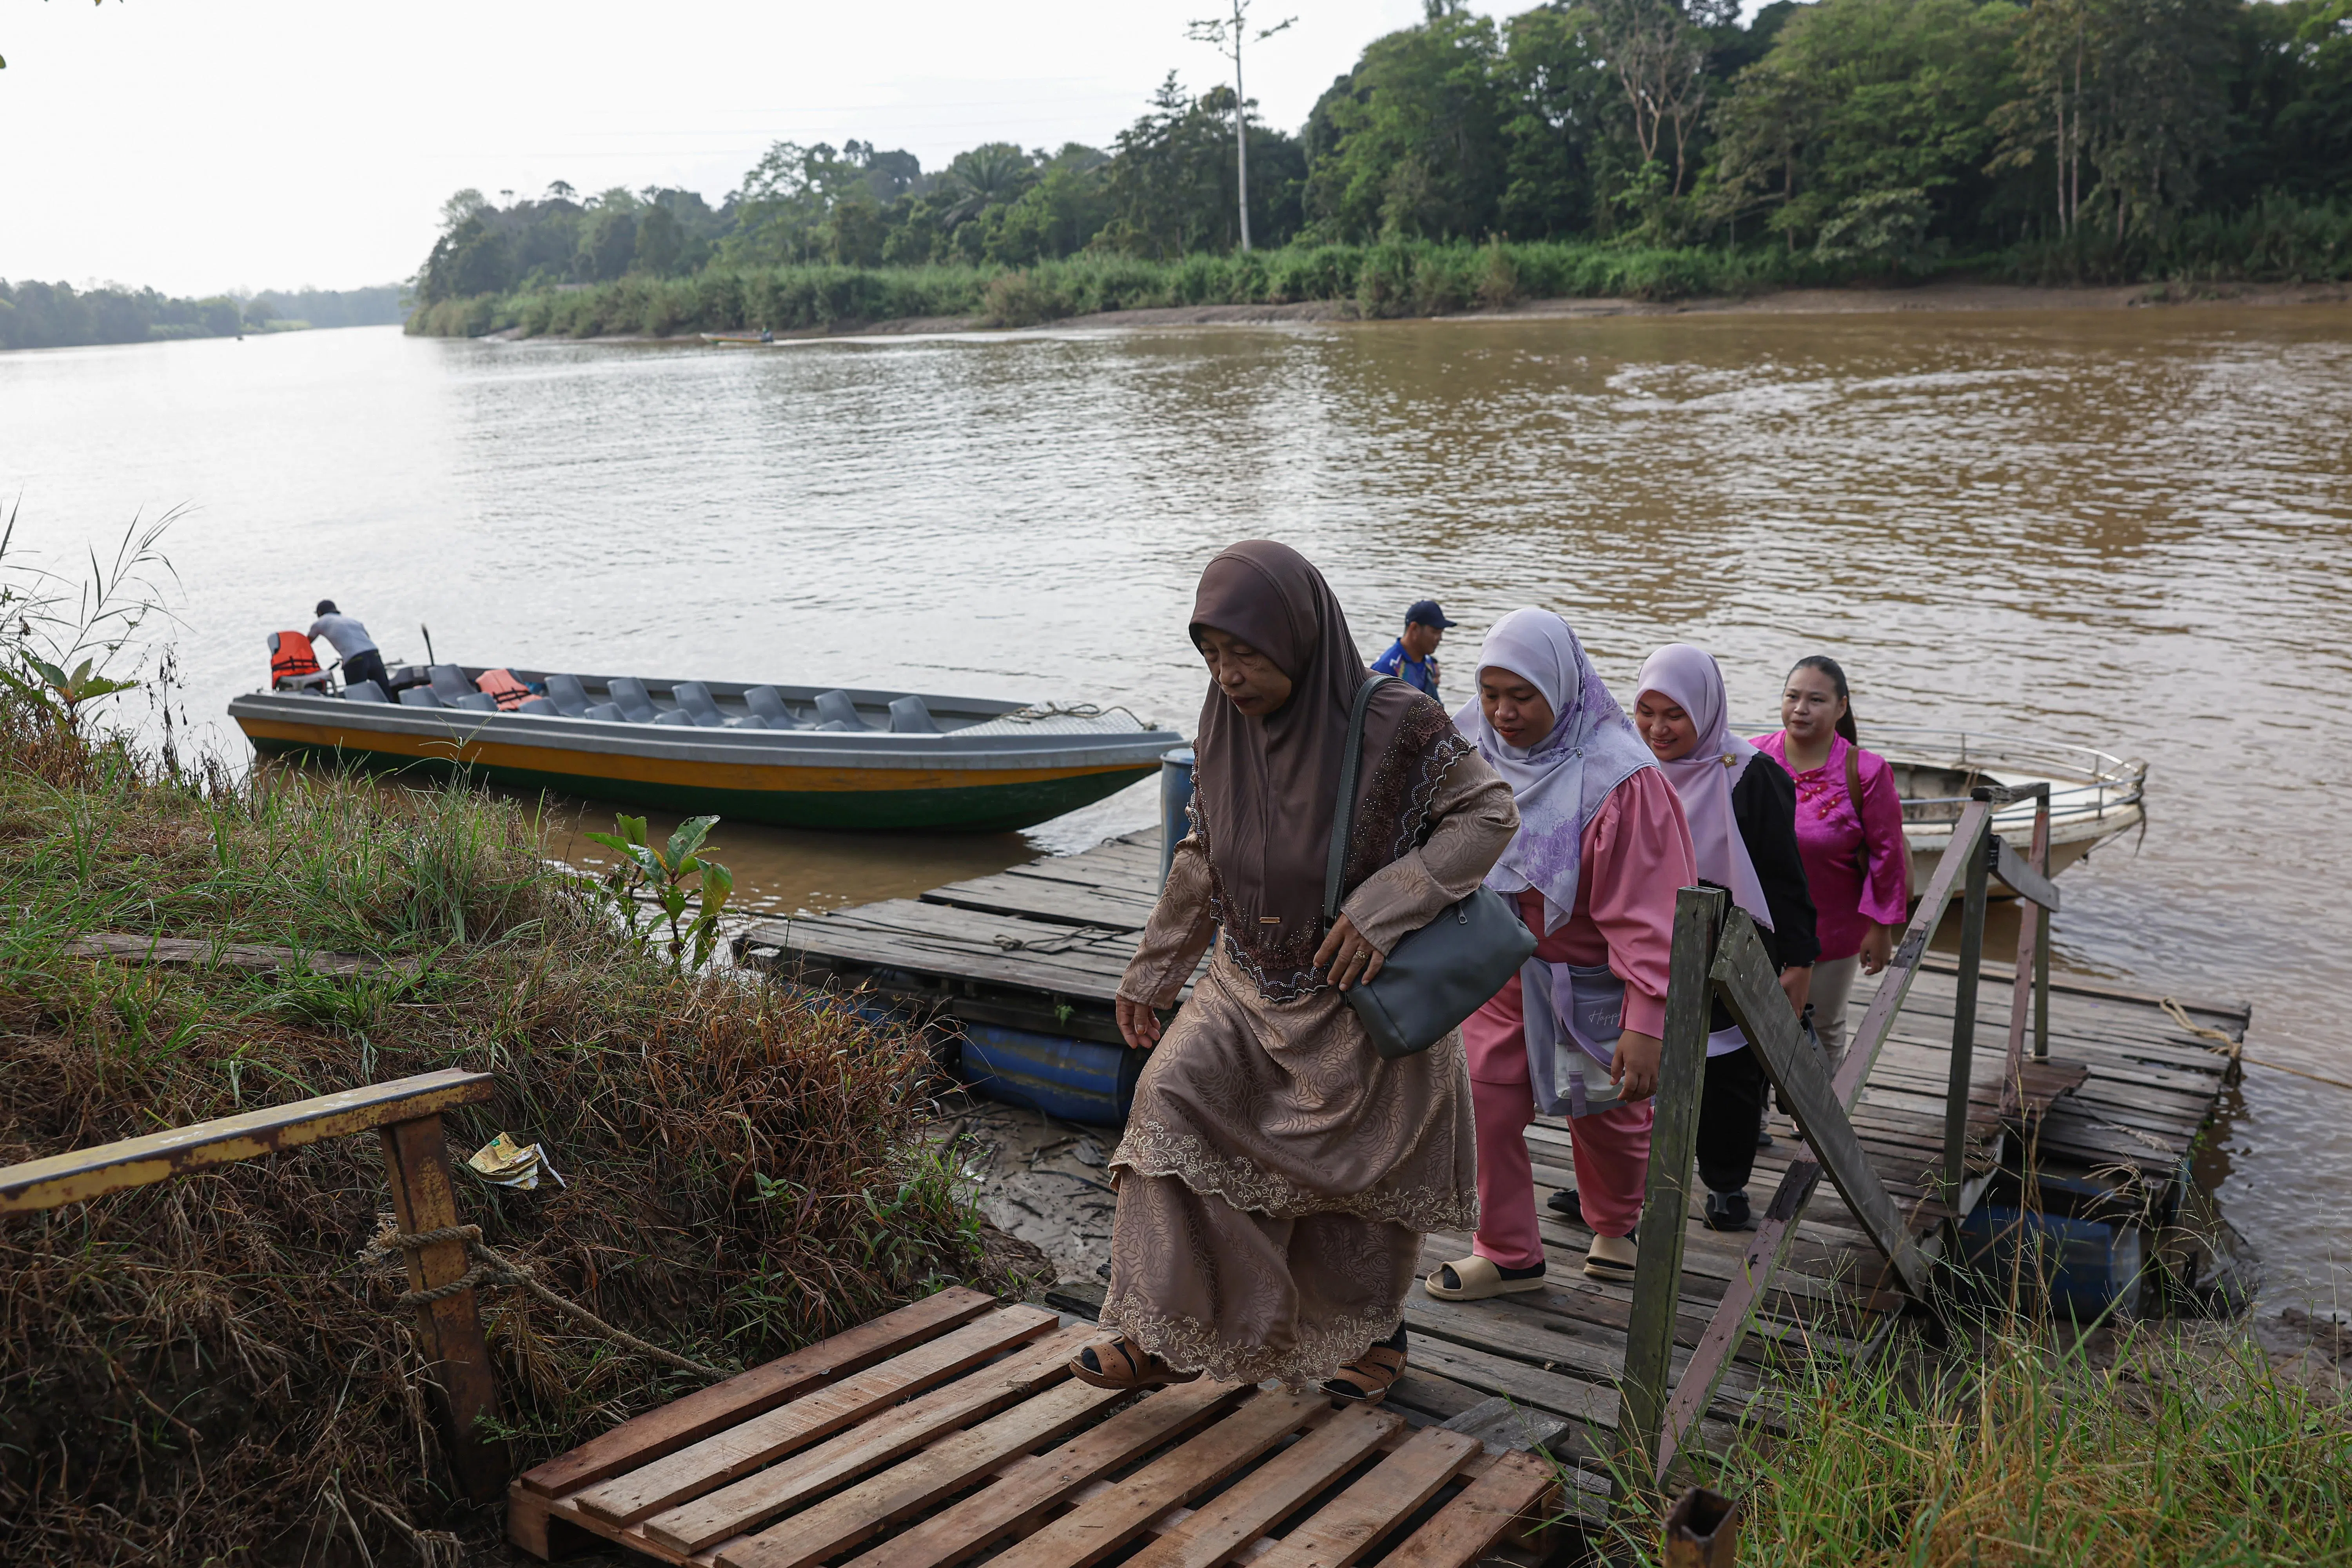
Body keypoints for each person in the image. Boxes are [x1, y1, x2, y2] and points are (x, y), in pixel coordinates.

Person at [1077, 541, 1517, 1403]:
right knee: (1168, 1107)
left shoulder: (1402, 721)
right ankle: (1160, 1328)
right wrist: (1153, 969)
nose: (1229, 674)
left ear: (1302, 637)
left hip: (1361, 995)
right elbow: (1204, 852)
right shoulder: (1222, 727)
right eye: (1212, 654)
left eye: (1246, 652)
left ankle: (1375, 1335)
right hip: (1243, 983)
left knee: (1349, 1182)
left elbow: (1487, 812)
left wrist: (1388, 900)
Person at [1426, 609, 1696, 1293]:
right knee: (1483, 1104)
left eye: (1523, 697)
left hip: (1593, 974)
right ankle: (1508, 1249)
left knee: (1607, 1107)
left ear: (1563, 689)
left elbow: (1651, 911)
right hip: (1493, 963)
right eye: (1491, 693)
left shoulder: (1619, 777)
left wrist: (1647, 1021)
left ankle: (1615, 1222)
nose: (1503, 712)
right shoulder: (1467, 749)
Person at [1630, 644, 1818, 1231]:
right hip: (1647, 942)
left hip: (1731, 948)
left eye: (1675, 715)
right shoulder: (1628, 767)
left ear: (1705, 711)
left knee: (1730, 1076)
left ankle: (1726, 1183)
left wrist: (1798, 963)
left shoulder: (1752, 775)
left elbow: (1784, 877)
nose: (1659, 729)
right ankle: (1619, 1179)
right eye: (1647, 712)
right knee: (1635, 1065)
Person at [1751, 655, 1907, 1059]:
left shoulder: (1867, 772)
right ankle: (1757, 1120)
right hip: (1760, 922)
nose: (1801, 709)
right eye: (1793, 697)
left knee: (1821, 1025)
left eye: (1816, 700)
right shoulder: (1753, 759)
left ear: (1841, 707)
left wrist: (1881, 926)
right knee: (1752, 1025)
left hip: (1833, 930)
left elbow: (1886, 853)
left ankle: (1820, 1120)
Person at [1370, 599, 1454, 700]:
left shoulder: (1429, 664)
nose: (1440, 639)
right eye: (1435, 632)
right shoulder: (1387, 669)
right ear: (1414, 628)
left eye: (1441, 633)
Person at [308, 600, 389, 693]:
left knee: (357, 694)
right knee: (385, 691)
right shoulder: (353, 621)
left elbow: (306, 644)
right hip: (374, 654)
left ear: (319, 613)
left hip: (355, 659)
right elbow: (365, 640)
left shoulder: (319, 623)